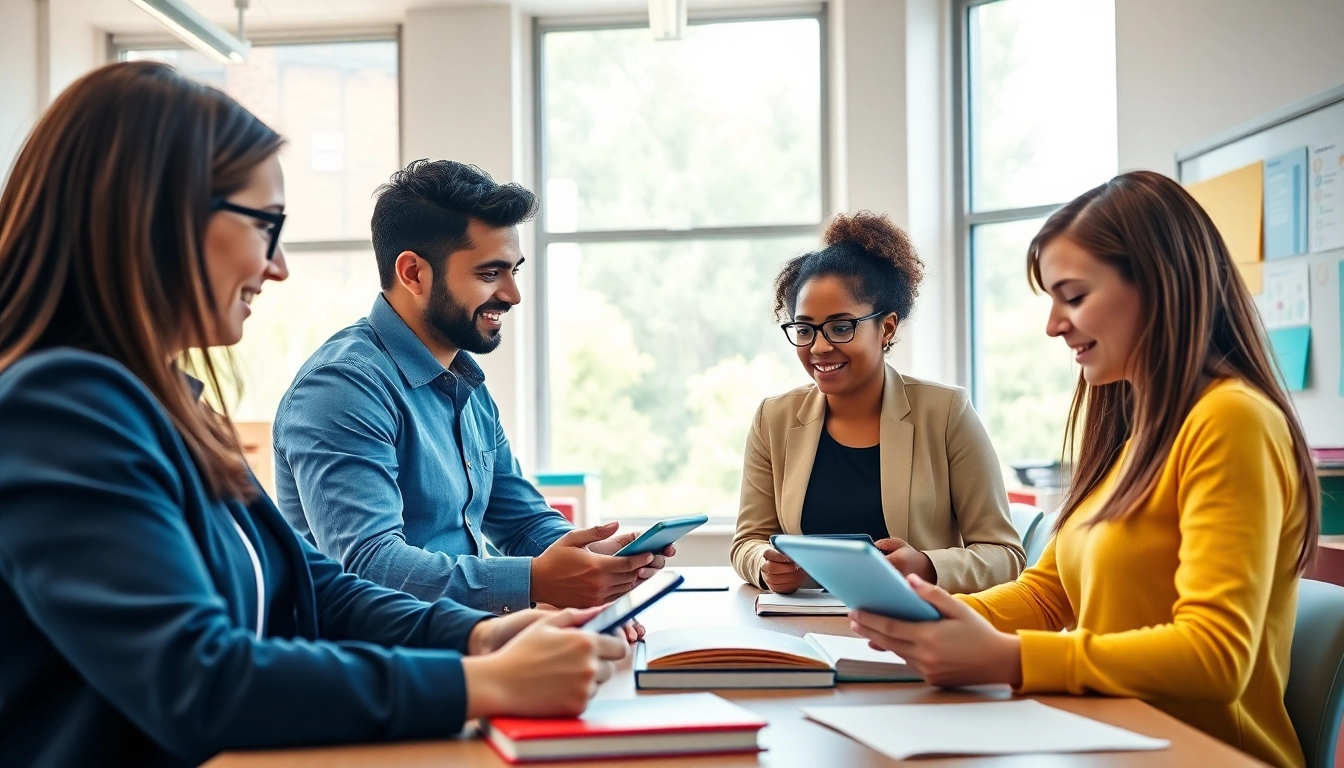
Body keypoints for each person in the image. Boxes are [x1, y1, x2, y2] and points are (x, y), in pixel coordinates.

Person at [0, 61, 629, 767]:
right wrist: (475, 681)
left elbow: (308, 582)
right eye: (267, 226)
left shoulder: (173, 404)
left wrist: (473, 637)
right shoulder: (57, 409)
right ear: (159, 219)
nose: (279, 267)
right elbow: (199, 678)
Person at [849, 171, 1320, 768]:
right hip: (1108, 737)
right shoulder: (1136, 433)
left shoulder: (1232, 421)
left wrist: (1011, 660)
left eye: (1073, 296)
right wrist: (924, 617)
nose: (1053, 324)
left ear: (1159, 285)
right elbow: (1051, 596)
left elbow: (1215, 657)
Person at [272, 159, 670, 615]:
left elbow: (520, 520)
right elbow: (369, 567)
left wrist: (591, 561)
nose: (512, 294)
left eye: (514, 270)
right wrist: (538, 581)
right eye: (489, 274)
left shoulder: (466, 382)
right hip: (380, 669)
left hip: (469, 643)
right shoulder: (341, 388)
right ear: (414, 274)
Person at [731, 212, 1025, 595]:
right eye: (804, 330)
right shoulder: (775, 418)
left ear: (885, 328)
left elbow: (1006, 555)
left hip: (912, 632)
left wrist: (928, 566)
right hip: (801, 626)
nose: (819, 347)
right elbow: (747, 541)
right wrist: (765, 566)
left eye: (841, 327)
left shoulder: (946, 413)